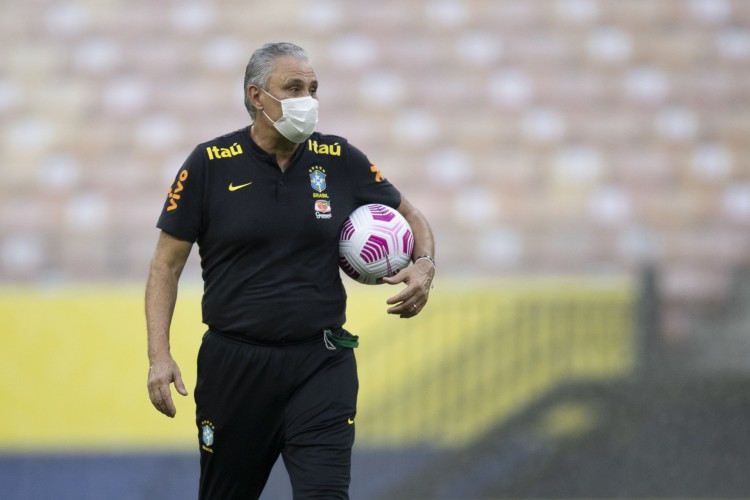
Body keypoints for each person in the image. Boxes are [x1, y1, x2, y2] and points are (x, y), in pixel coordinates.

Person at [145, 42, 436, 499]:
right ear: (257, 96)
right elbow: (165, 265)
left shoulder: (340, 159)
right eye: (294, 87)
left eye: (313, 88)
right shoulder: (208, 165)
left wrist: (424, 265)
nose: (308, 100)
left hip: (322, 363)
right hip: (235, 367)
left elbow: (413, 218)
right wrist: (159, 358)